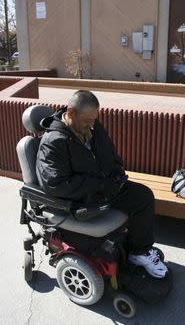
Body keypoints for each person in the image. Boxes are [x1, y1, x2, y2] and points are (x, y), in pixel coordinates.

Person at [35, 90, 168, 279]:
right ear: (71, 113)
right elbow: (55, 184)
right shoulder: (53, 142)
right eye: (87, 120)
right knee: (134, 198)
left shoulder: (93, 127)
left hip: (103, 188)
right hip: (81, 200)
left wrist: (117, 173)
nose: (92, 125)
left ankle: (139, 252)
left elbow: (111, 155)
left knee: (143, 196)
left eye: (94, 120)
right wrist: (100, 185)